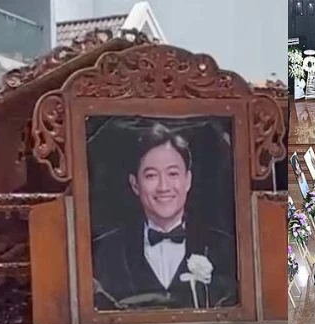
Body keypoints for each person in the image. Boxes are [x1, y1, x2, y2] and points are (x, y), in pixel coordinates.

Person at [92, 123, 236, 310]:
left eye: (173, 174)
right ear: (135, 184)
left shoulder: (225, 248)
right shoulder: (105, 252)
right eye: (151, 176)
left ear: (188, 180)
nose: (163, 187)